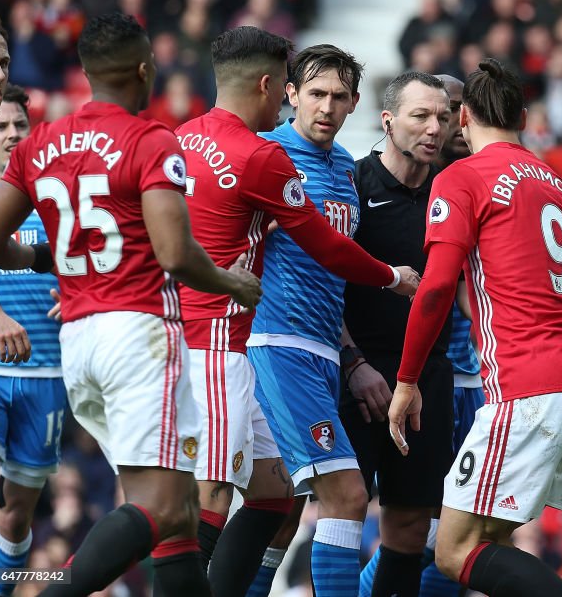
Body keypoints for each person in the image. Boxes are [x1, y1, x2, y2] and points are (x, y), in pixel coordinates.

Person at [0, 12, 263, 596]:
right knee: (161, 508)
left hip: (79, 342)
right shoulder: (149, 139)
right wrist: (233, 285)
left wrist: (45, 261)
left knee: (178, 516)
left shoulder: (40, 142)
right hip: (139, 337)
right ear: (144, 69)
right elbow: (174, 252)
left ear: (86, 72)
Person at [175, 30, 419, 597]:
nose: (327, 107)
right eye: (315, 94)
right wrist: (393, 277)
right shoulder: (271, 156)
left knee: (279, 502)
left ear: (356, 103)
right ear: (288, 93)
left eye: (339, 97)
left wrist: (350, 356)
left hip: (320, 353)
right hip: (270, 344)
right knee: (343, 496)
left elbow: (330, 275)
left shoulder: (344, 175)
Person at [389, 56, 562, 597]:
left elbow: (438, 287)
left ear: (462, 118)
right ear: (525, 115)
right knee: (492, 540)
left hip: (527, 389)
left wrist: (406, 380)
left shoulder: (462, 177)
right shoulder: (558, 182)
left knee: (454, 550)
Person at [341, 71, 452, 597]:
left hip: (428, 377)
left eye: (442, 117)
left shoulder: (452, 189)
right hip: (360, 378)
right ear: (387, 120)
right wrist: (354, 363)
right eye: (421, 115)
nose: (435, 127)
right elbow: (322, 286)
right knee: (342, 515)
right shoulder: (352, 183)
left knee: (411, 528)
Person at [0, 83, 66, 597]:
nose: (13, 133)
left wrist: (81, 292)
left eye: (21, 125)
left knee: (15, 518)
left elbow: (92, 264)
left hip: (47, 375)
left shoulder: (58, 197)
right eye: (0, 125)